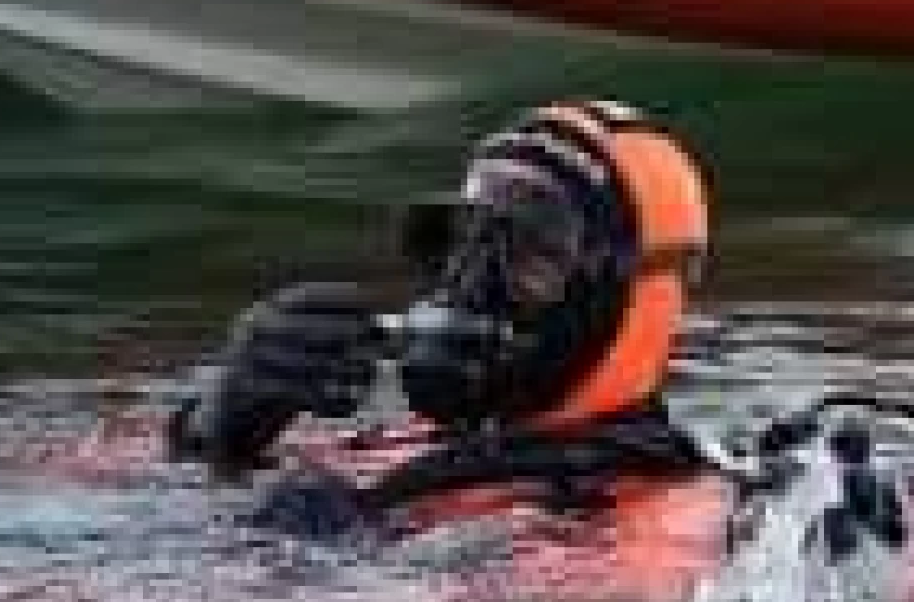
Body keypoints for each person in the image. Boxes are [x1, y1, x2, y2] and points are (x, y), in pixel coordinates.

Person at [165, 99, 718, 540]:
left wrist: (305, 562)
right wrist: (221, 425)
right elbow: (95, 476)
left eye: (530, 255)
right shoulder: (404, 444)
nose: (470, 283)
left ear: (631, 297)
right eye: (466, 238)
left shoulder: (643, 519)